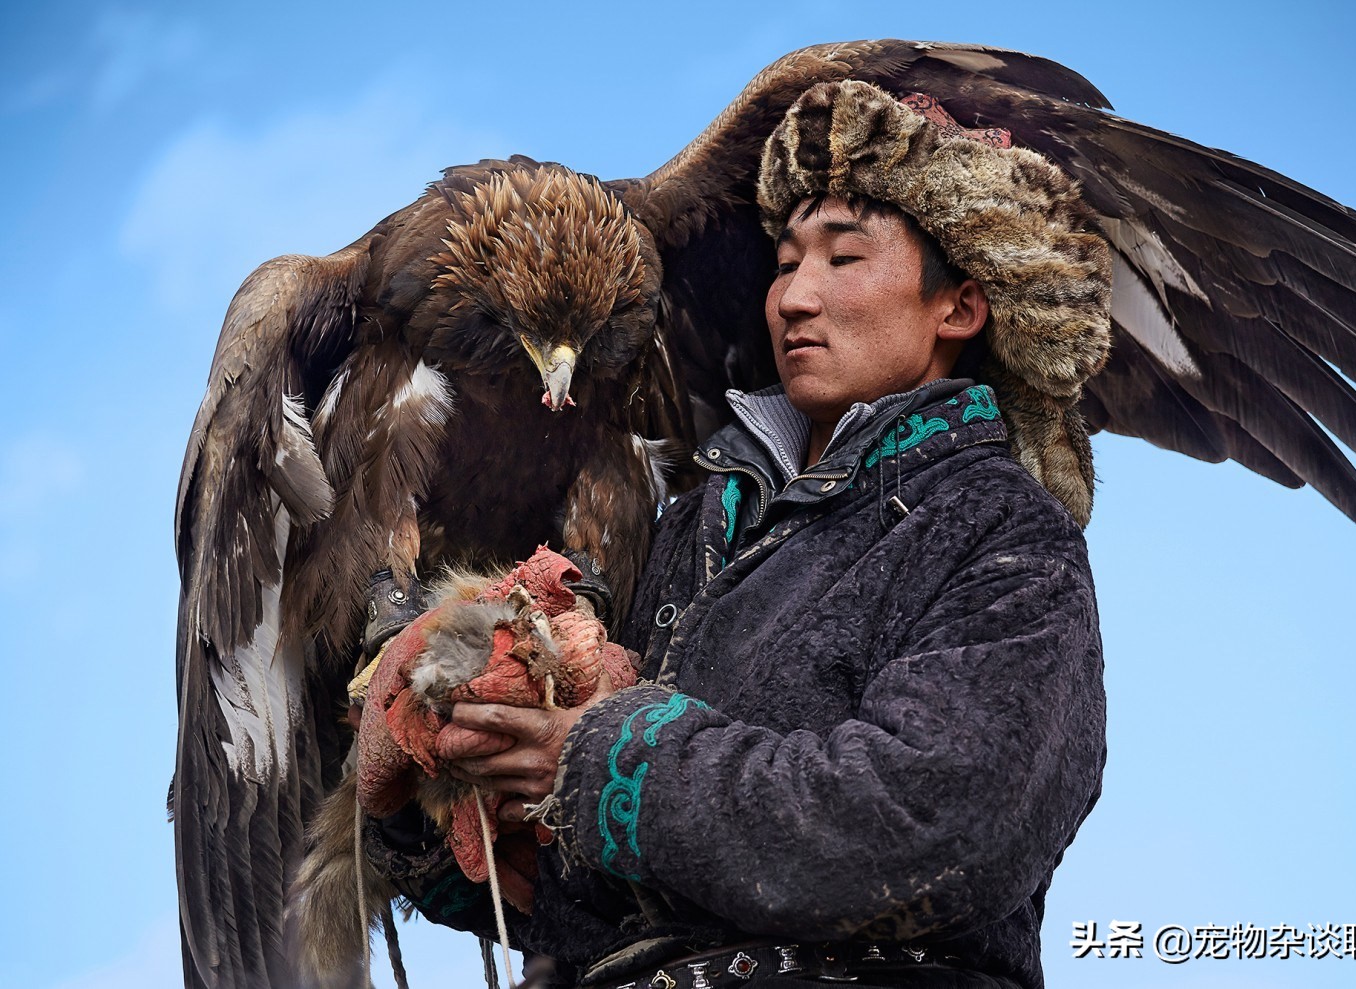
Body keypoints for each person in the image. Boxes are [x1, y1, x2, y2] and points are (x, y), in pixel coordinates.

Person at [369, 80, 1109, 989]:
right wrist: (430, 783)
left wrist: (611, 758)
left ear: (958, 306)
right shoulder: (689, 530)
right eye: (786, 261)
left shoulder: (999, 534)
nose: (794, 297)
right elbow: (568, 891)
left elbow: (941, 821)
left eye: (843, 260)